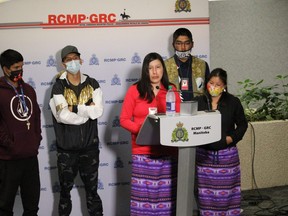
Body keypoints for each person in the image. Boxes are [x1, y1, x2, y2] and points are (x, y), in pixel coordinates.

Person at [120, 52, 181, 216]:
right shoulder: (135, 90)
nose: (155, 72)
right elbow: (124, 119)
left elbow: (178, 118)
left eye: (158, 67)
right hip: (143, 152)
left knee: (167, 200)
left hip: (168, 152)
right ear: (145, 71)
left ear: (163, 69)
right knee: (143, 202)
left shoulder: (172, 90)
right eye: (150, 68)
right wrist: (142, 129)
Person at [49, 45, 104, 216]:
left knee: (92, 194)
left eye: (75, 58)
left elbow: (98, 111)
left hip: (90, 148)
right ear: (63, 64)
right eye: (68, 59)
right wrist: (86, 111)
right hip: (66, 151)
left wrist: (73, 107)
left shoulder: (93, 83)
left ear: (81, 60)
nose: (72, 62)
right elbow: (62, 116)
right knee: (65, 195)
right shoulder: (58, 87)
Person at [195, 68, 248, 215]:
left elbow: (243, 125)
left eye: (217, 84)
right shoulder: (199, 101)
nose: (213, 87)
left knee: (228, 195)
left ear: (224, 86)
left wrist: (230, 138)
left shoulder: (233, 102)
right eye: (211, 83)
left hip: (227, 157)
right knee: (207, 196)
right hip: (204, 158)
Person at [0, 49, 42, 216]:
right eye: (16, 67)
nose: (20, 70)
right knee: (4, 207)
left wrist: (35, 139)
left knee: (32, 207)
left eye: (22, 66)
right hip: (8, 159)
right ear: (5, 69)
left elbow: (36, 118)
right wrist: (10, 143)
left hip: (30, 157)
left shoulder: (29, 90)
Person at [165, 27, 210, 101]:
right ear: (173, 45)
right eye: (179, 43)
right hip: (173, 109)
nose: (183, 47)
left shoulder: (202, 65)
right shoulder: (165, 66)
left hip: (198, 109)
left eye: (187, 43)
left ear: (192, 44)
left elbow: (208, 91)